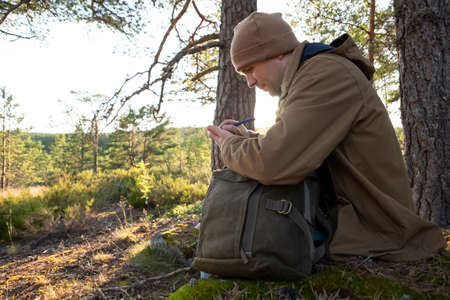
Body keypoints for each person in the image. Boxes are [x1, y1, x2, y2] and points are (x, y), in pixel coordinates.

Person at [206, 12, 445, 261]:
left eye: (250, 69)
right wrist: (248, 138)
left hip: (376, 228)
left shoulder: (324, 75)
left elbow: (274, 163)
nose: (249, 82)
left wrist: (228, 144)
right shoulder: (308, 76)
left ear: (277, 52)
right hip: (349, 218)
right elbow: (295, 144)